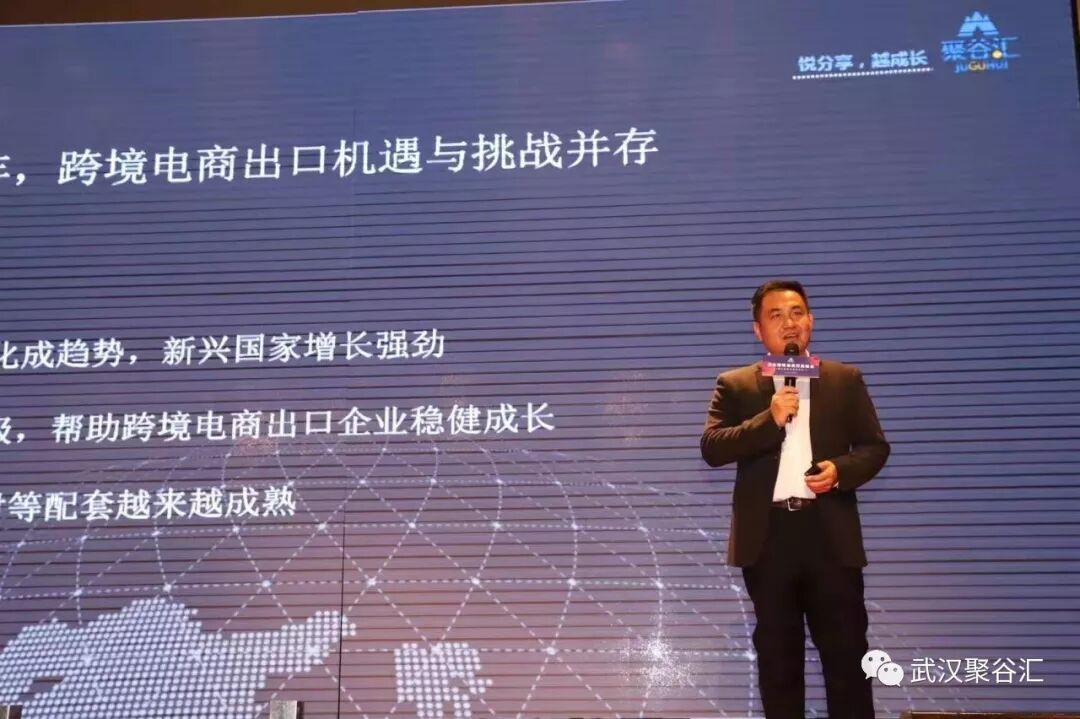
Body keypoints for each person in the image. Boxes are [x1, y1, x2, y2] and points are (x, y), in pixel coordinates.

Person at [700, 279, 890, 719]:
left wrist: (840, 471)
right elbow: (712, 447)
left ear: (811, 321)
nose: (789, 323)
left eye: (797, 313)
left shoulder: (843, 379)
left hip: (830, 535)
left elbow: (875, 447)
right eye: (776, 316)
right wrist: (768, 419)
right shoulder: (736, 384)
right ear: (758, 330)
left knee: (848, 659)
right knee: (779, 663)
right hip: (769, 539)